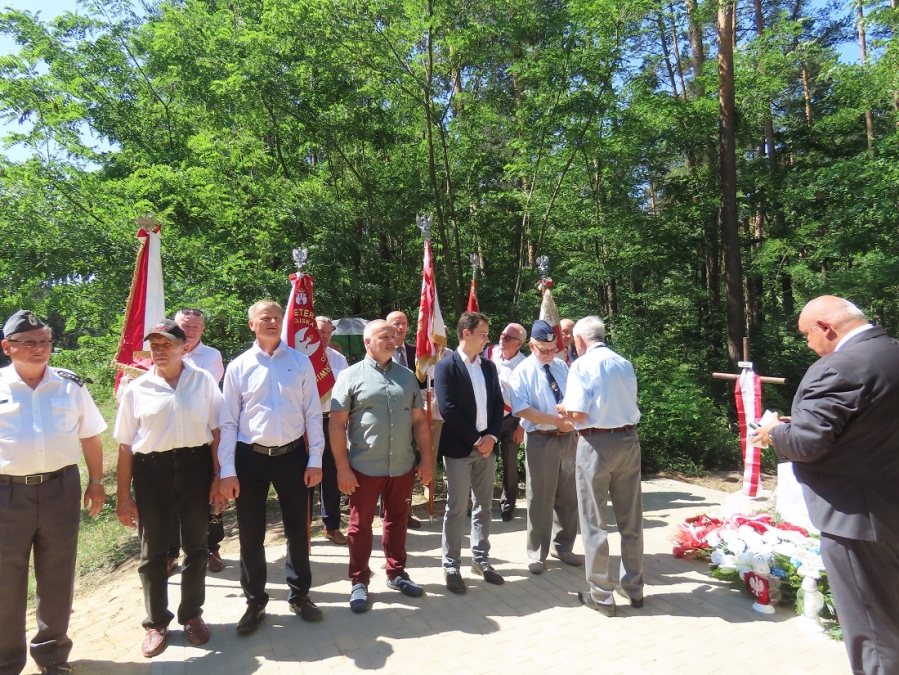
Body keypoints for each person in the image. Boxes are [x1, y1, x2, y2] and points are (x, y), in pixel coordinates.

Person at [755, 296, 899, 675]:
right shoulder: (890, 352)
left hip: (855, 518)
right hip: (889, 504)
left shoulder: (838, 367)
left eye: (806, 334)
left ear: (826, 328)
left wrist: (774, 432)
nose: (807, 344)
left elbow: (806, 445)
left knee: (871, 628)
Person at [0, 310, 106, 675]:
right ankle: (7, 662)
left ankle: (52, 655)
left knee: (58, 574)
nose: (39, 348)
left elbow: (90, 435)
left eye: (44, 341)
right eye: (28, 342)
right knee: (5, 580)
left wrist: (96, 481)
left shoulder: (69, 385)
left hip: (61, 488)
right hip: (7, 495)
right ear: (7, 347)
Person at [115, 319, 224, 658]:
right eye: (154, 345)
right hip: (152, 471)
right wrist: (123, 496)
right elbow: (125, 445)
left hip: (195, 467)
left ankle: (191, 615)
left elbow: (217, 432)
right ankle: (156, 623)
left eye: (167, 344)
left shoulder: (203, 381)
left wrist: (219, 478)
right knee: (153, 552)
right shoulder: (137, 389)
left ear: (184, 348)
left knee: (196, 547)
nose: (159, 351)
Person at [218, 300, 324, 634]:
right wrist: (227, 469)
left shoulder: (300, 362)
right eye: (265, 318)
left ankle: (300, 595)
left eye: (277, 317)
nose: (272, 322)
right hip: (249, 458)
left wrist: (316, 459)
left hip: (293, 456)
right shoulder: (238, 367)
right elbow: (228, 422)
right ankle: (255, 602)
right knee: (251, 534)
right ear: (251, 324)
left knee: (297, 530)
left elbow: (313, 415)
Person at [329, 320, 433, 613]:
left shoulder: (407, 377)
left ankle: (397, 573)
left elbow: (419, 421)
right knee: (360, 526)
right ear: (368, 342)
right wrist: (342, 468)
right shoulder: (349, 376)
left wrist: (426, 459)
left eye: (394, 336)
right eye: (384, 336)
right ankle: (359, 581)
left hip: (401, 465)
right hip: (364, 468)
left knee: (397, 521)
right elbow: (336, 424)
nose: (392, 340)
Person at [559, 316, 643, 616]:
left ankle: (602, 595)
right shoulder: (624, 363)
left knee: (594, 521)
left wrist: (563, 408)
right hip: (629, 441)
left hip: (596, 444)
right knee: (631, 520)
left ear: (580, 340)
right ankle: (634, 587)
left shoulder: (582, 365)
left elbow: (578, 414)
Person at [435, 311, 505, 593]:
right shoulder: (446, 366)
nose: (487, 339)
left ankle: (481, 559)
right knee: (456, 509)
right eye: (483, 334)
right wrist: (477, 440)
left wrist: (491, 437)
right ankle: (451, 566)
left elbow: (498, 403)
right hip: (459, 450)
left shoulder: (488, 367)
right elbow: (448, 409)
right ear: (466, 334)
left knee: (484, 507)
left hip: (487, 449)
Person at [510, 320, 580, 575]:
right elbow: (522, 409)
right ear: (531, 346)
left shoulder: (561, 366)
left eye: (553, 349)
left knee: (569, 495)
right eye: (544, 350)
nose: (550, 354)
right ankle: (537, 553)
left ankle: (563, 546)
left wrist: (572, 421)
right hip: (541, 439)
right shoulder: (522, 372)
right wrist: (554, 420)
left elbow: (575, 398)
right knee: (540, 497)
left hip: (567, 438)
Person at [167, 307, 227, 574]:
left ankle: (211, 548)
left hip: (201, 438)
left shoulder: (211, 356)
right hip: (166, 437)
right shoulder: (160, 351)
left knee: (208, 496)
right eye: (184, 326)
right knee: (169, 500)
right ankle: (170, 553)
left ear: (202, 330)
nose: (189, 331)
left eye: (195, 327)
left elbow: (198, 388)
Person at [484, 323, 526, 521]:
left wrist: (522, 426)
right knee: (484, 460)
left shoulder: (525, 365)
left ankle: (508, 505)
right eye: (502, 334)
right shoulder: (489, 352)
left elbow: (529, 399)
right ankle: (482, 502)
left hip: (512, 419)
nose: (503, 338)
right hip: (487, 417)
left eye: (509, 337)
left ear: (519, 344)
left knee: (509, 463)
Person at [386, 310, 423, 529]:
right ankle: (386, 512)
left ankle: (404, 512)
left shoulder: (418, 352)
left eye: (404, 323)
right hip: (387, 420)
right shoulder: (381, 351)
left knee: (407, 467)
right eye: (396, 324)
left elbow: (424, 383)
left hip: (412, 419)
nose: (400, 328)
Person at [315, 316, 350, 545]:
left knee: (331, 474)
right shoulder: (300, 358)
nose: (325, 336)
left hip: (332, 421)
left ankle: (331, 526)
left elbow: (347, 391)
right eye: (321, 331)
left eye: (329, 332)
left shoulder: (339, 359)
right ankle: (300, 531)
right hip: (306, 423)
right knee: (304, 476)